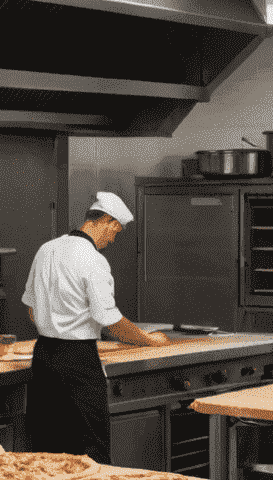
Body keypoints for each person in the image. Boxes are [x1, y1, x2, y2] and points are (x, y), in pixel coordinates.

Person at [20, 192, 168, 464]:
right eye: (116, 231)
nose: (112, 239)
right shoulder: (93, 259)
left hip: (43, 359)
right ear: (108, 221)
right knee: (90, 453)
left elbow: (32, 308)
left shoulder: (47, 249)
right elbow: (110, 319)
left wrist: (57, 324)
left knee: (45, 452)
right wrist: (148, 340)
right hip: (78, 361)